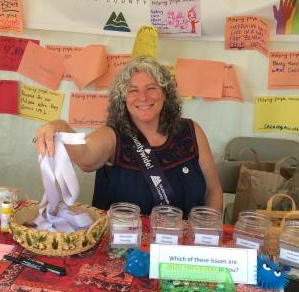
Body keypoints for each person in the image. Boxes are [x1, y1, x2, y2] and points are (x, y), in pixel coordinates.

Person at [35, 56, 223, 217]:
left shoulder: (191, 131)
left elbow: (213, 190)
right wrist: (61, 128)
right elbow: (86, 157)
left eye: (151, 88)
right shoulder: (112, 136)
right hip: (124, 249)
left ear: (165, 94)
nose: (143, 97)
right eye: (133, 90)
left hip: (183, 248)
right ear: (123, 99)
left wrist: (208, 230)